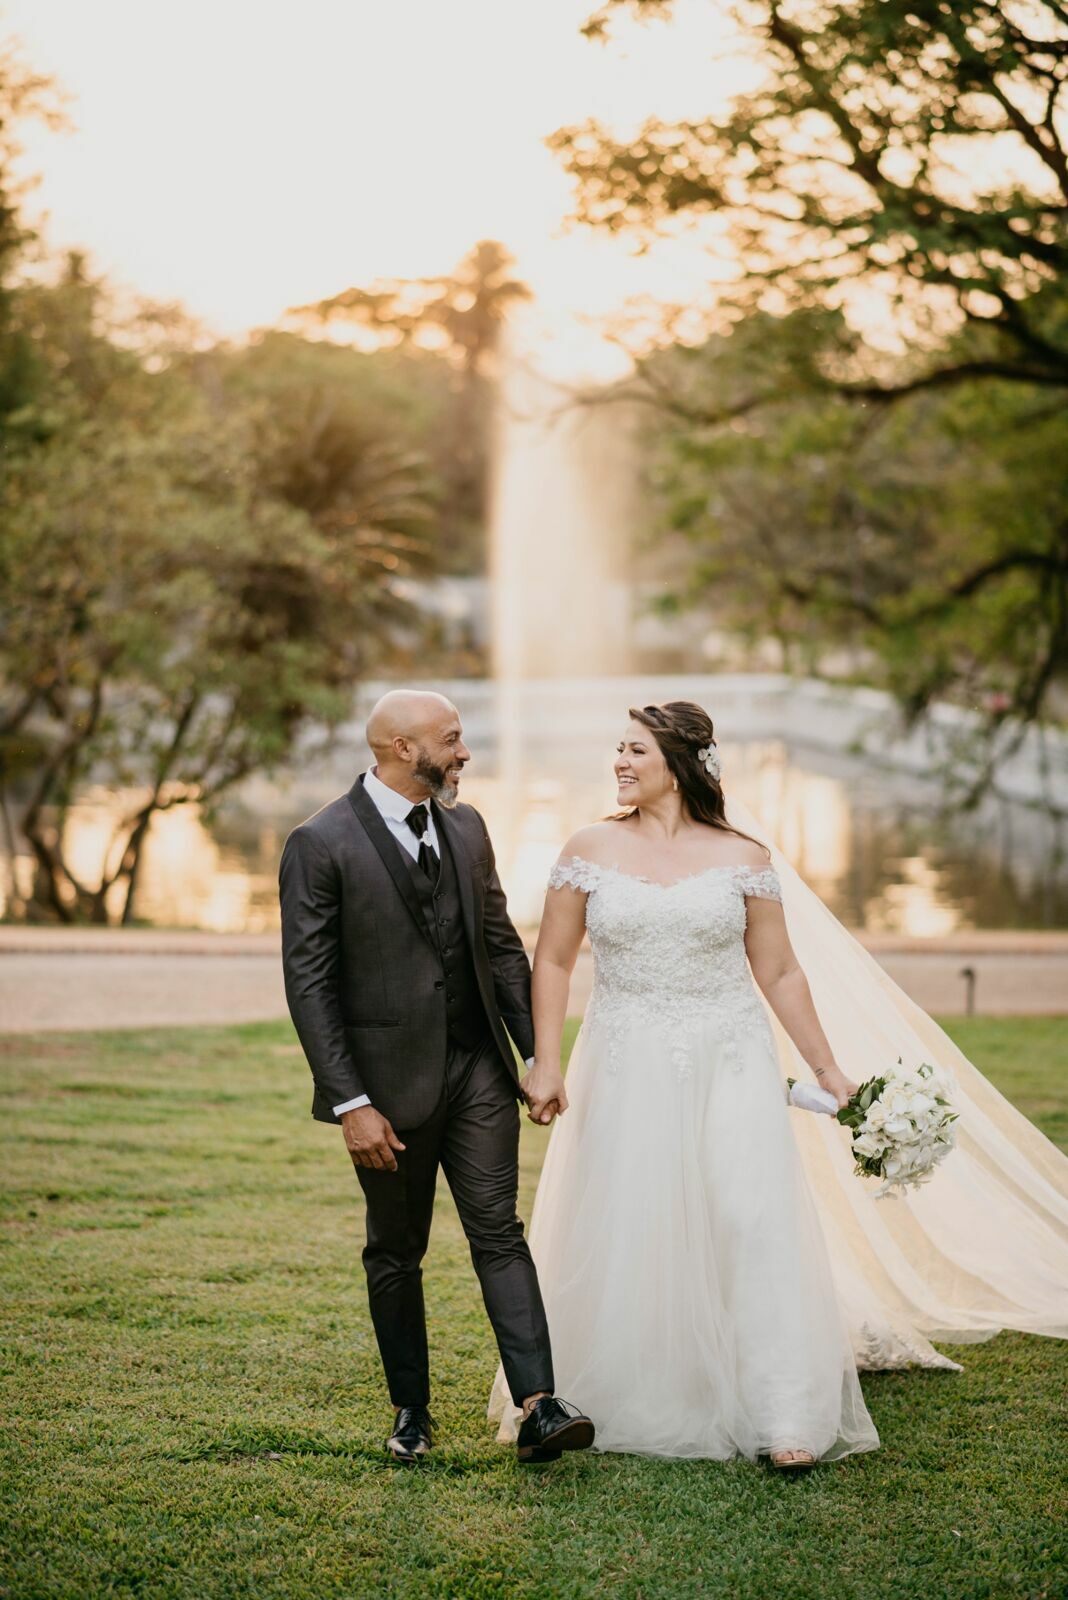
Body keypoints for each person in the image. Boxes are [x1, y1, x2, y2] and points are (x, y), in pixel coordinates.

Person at [492, 698, 1068, 1466]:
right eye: (619, 751)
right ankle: (634, 1389)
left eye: (635, 751)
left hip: (731, 1055)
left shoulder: (743, 858)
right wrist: (548, 1059)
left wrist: (830, 1072)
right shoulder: (588, 846)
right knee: (632, 1210)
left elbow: (782, 970)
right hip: (623, 1056)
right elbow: (555, 961)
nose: (620, 764)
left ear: (681, 764)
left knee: (750, 1213)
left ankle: (782, 1411)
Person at [280, 689, 594, 1466]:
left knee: (499, 1233)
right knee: (396, 1249)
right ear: (398, 748)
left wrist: (534, 1056)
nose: (463, 754)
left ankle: (539, 1405)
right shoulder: (319, 843)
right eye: (450, 741)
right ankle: (411, 1411)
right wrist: (351, 1102)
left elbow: (499, 945)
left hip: (477, 1071)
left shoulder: (468, 826)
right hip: (385, 1092)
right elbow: (309, 984)